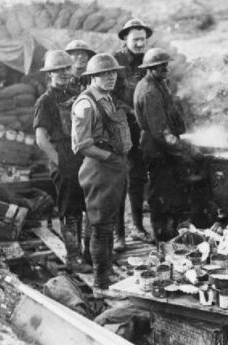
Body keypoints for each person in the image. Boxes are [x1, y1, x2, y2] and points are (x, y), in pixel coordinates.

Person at [71, 53, 132, 291]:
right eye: (104, 74)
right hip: (99, 169)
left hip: (112, 168)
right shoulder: (86, 103)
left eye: (113, 73)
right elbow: (81, 145)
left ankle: (103, 273)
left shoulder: (106, 97)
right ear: (92, 77)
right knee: (101, 227)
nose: (110, 78)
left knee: (105, 223)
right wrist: (110, 158)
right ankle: (101, 284)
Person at [134, 48, 201, 241]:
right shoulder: (149, 92)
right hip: (157, 150)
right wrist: (187, 150)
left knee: (170, 193)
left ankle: (170, 233)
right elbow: (161, 132)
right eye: (161, 67)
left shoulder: (159, 84)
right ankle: (162, 238)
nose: (166, 70)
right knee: (160, 195)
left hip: (165, 149)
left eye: (166, 66)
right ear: (150, 68)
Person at [34, 50, 91, 274]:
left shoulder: (77, 93)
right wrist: (60, 162)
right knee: (70, 210)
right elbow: (41, 139)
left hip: (83, 156)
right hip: (64, 157)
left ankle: (89, 254)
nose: (64, 74)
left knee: (89, 206)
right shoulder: (45, 101)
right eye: (58, 71)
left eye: (67, 69)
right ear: (50, 74)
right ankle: (74, 257)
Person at [112, 18, 155, 249]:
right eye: (135, 39)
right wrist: (131, 111)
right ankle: (119, 234)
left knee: (138, 178)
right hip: (119, 128)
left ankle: (138, 227)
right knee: (120, 180)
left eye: (143, 40)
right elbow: (108, 96)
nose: (139, 43)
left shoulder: (147, 62)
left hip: (141, 129)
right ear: (125, 39)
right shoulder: (115, 62)